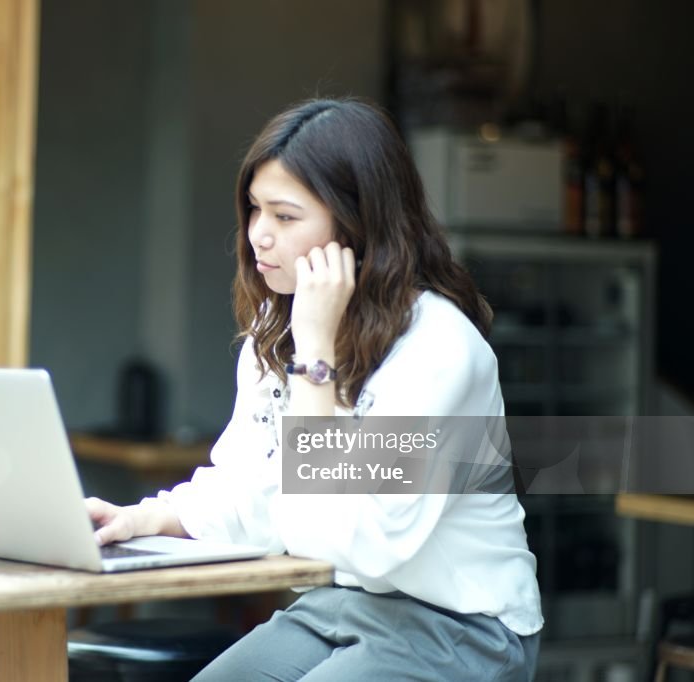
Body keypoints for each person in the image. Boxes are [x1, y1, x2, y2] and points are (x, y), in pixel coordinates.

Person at [85, 97, 543, 680]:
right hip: (340, 606)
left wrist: (316, 362)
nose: (258, 237)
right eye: (254, 210)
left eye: (285, 216)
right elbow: (253, 490)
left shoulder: (440, 351)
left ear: (356, 224)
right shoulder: (278, 335)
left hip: (464, 626)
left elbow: (363, 542)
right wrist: (144, 520)